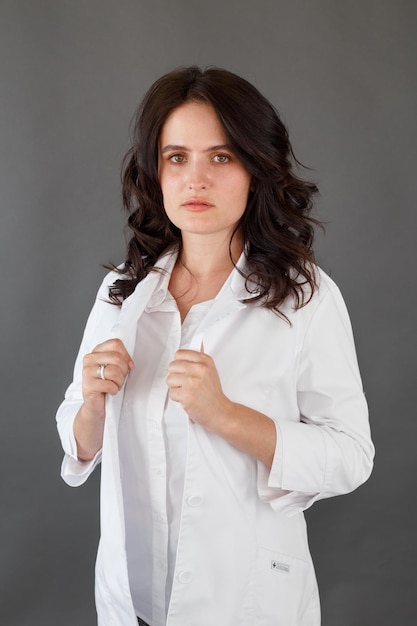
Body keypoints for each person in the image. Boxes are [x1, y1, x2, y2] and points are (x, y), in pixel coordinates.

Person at [56, 66, 374, 626]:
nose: (195, 179)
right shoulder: (122, 293)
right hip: (134, 601)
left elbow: (351, 456)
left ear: (256, 168)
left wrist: (226, 416)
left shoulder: (304, 297)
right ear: (155, 173)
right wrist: (92, 405)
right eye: (176, 157)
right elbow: (80, 442)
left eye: (221, 157)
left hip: (246, 601)